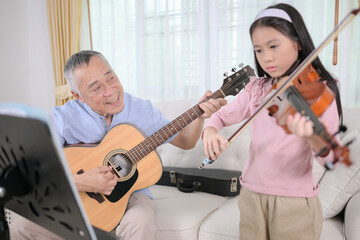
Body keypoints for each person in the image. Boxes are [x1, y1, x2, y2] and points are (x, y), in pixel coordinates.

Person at [9, 50, 226, 240]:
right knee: (21, 227)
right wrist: (83, 181)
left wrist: (200, 115)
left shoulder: (142, 110)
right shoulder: (62, 118)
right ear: (78, 95)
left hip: (133, 194)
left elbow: (186, 142)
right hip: (75, 195)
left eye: (111, 78)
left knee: (140, 223)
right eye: (96, 88)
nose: (110, 90)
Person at [202, 3, 343, 240]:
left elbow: (332, 157)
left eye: (273, 46)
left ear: (297, 42)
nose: (266, 57)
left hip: (294, 202)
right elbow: (218, 116)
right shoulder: (257, 89)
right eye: (258, 50)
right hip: (251, 196)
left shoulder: (320, 90)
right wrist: (210, 131)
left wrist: (311, 135)